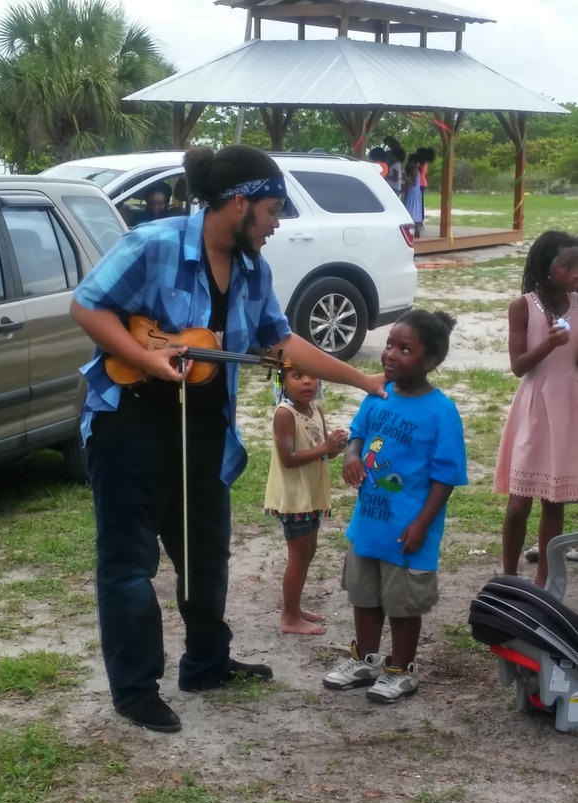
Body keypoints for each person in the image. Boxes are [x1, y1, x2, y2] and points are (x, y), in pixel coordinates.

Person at [70, 144, 388, 734]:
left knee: (206, 551)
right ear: (240, 203)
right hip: (131, 423)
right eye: (270, 212)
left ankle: (207, 663)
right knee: (129, 562)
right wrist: (148, 357)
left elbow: (281, 341)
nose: (274, 225)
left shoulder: (251, 269)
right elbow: (87, 307)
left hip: (204, 426)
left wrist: (362, 379)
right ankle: (136, 690)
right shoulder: (154, 244)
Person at [323, 310, 467, 702]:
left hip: (407, 530)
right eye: (389, 344)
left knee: (403, 605)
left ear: (429, 361)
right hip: (368, 524)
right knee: (364, 597)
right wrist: (352, 455)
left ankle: (402, 669)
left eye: (405, 349)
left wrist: (422, 523)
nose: (391, 354)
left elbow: (446, 476)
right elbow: (358, 433)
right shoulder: (378, 394)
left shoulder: (441, 412)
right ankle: (365, 660)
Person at [494, 231, 578, 587]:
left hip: (567, 405)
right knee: (518, 503)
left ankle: (545, 581)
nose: (575, 273)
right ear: (546, 269)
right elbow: (519, 365)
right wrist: (548, 343)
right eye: (567, 266)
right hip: (533, 406)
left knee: (553, 502)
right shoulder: (523, 306)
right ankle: (509, 575)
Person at [264, 362, 348, 635]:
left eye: (312, 375)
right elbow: (288, 459)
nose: (307, 382)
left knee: (308, 552)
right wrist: (325, 447)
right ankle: (289, 617)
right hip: (294, 497)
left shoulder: (315, 411)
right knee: (298, 556)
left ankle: (295, 608)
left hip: (310, 494)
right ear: (283, 382)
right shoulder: (284, 414)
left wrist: (334, 446)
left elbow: (322, 452)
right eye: (297, 376)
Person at [402, 154, 423, 237]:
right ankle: (416, 230)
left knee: (411, 210)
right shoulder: (414, 170)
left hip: (413, 192)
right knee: (414, 210)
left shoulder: (414, 170)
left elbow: (414, 183)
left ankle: (414, 230)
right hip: (414, 192)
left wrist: (406, 178)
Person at [416, 147, 436, 226]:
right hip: (421, 183)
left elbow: (419, 173)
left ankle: (420, 220)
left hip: (420, 184)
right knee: (420, 203)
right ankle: (420, 220)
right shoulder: (423, 162)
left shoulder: (422, 163)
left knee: (420, 203)